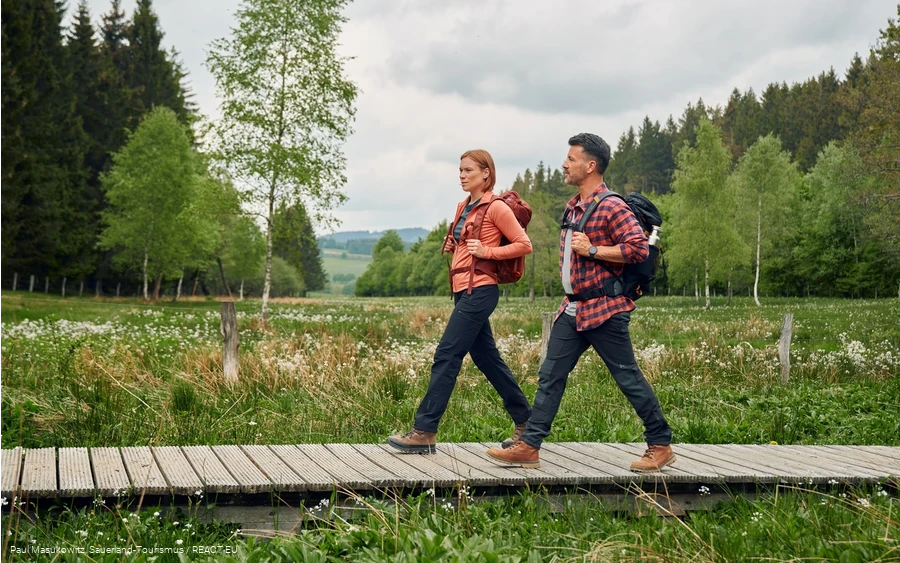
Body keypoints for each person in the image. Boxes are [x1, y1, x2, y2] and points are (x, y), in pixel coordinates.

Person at [485, 133, 675, 472]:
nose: (564, 164)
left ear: (590, 166)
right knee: (550, 375)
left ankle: (660, 444)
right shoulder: (575, 205)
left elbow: (637, 249)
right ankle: (530, 446)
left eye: (571, 159)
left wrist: (592, 250)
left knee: (627, 377)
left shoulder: (612, 206)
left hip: (604, 310)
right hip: (572, 309)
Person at [387, 149, 534, 454]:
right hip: (462, 290)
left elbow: (524, 245)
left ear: (486, 174)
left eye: (468, 170)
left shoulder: (496, 207)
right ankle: (527, 423)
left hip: (480, 290)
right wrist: (455, 245)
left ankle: (425, 430)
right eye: (460, 170)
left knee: (447, 354)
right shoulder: (462, 206)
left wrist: (488, 253)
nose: (462, 175)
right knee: (487, 359)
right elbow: (467, 244)